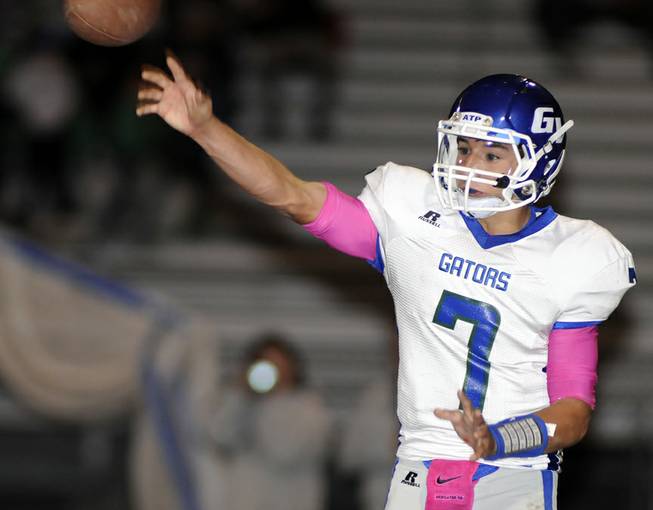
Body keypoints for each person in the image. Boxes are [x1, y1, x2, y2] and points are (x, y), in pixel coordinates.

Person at [136, 55, 636, 509]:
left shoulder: (574, 256)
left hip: (511, 475)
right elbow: (292, 196)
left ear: (539, 161)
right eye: (463, 148)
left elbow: (573, 411)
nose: (467, 165)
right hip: (417, 468)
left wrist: (497, 439)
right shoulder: (415, 217)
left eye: (491, 155)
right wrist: (206, 129)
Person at [210, 333, 331, 510]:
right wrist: (238, 395)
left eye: (277, 364)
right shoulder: (245, 402)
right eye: (265, 364)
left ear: (293, 367)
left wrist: (272, 399)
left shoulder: (311, 409)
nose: (271, 371)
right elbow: (219, 435)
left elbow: (284, 451)